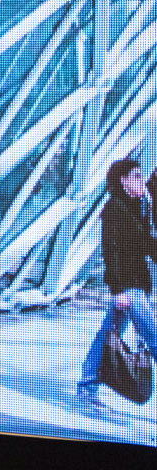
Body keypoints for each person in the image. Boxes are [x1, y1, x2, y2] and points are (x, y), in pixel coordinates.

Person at [78, 160, 157, 413]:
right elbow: (109, 252)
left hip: (137, 284)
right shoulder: (114, 209)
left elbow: (148, 246)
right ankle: (87, 386)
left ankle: (88, 385)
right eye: (136, 176)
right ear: (123, 181)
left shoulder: (138, 207)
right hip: (128, 287)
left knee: (107, 335)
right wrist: (117, 290)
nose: (142, 180)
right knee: (154, 337)